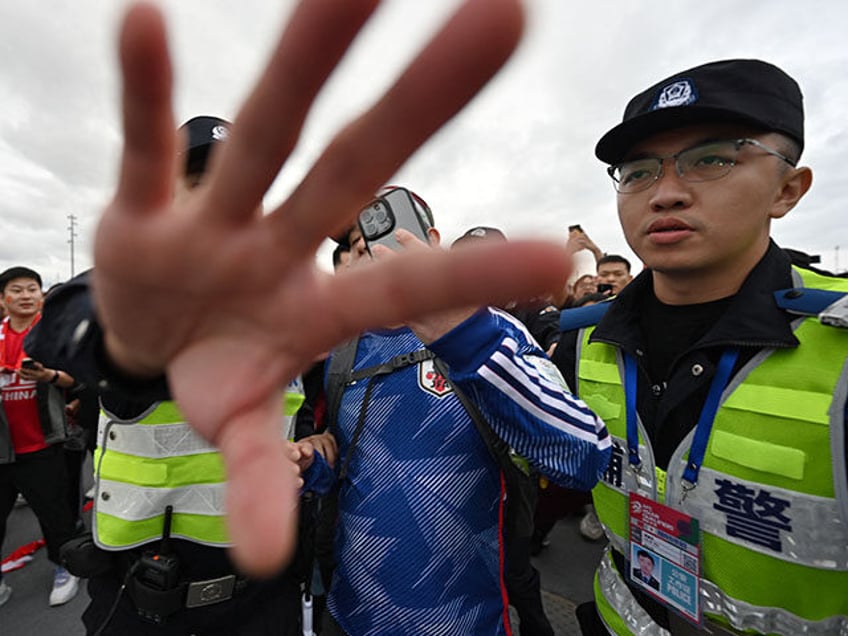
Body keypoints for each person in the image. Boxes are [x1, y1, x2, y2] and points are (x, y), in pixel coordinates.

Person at [26, 0, 575, 613]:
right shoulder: (118, 288)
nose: (217, 203)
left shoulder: (303, 319)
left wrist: (315, 448)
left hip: (272, 597)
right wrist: (137, 345)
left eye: (238, 184)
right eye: (195, 181)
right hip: (139, 595)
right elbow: (58, 335)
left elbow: (334, 429)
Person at [552, 59, 848, 635]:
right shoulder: (585, 336)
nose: (665, 193)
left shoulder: (838, 345)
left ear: (788, 188)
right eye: (638, 172)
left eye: (712, 159)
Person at [311, 198, 610, 635]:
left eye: (389, 234)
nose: (373, 253)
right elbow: (354, 466)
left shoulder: (498, 330)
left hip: (462, 620)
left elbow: (584, 457)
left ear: (432, 242)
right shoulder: (343, 351)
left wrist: (469, 341)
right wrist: (314, 462)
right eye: (358, 246)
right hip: (347, 615)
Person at [0, 267, 80, 608]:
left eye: (32, 289)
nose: (26, 295)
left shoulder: (52, 334)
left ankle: (64, 568)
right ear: (3, 299)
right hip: (2, 448)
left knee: (55, 515)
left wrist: (47, 374)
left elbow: (76, 379)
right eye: (16, 290)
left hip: (42, 444)